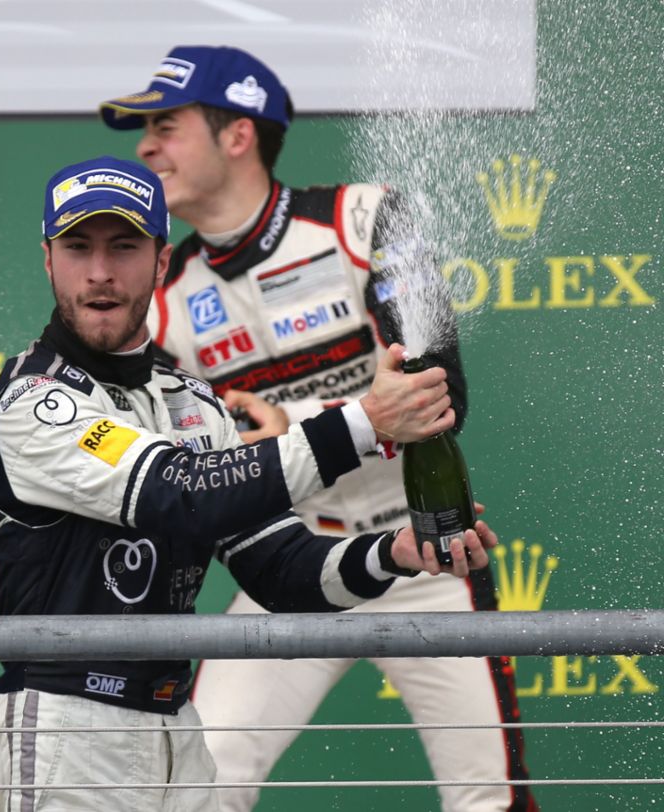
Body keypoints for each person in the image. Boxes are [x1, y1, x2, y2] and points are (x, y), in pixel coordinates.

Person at [0, 154, 499, 812]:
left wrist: (389, 554)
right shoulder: (36, 397)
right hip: (70, 734)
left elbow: (283, 571)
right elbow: (181, 494)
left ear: (161, 264)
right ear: (48, 260)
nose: (100, 272)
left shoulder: (194, 401)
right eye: (77, 248)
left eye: (124, 247)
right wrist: (364, 422)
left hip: (174, 733)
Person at [99, 45, 535, 811]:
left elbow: (439, 397)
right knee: (199, 790)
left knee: (487, 799)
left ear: (237, 133)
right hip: (291, 561)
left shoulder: (366, 218)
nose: (145, 146)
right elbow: (186, 468)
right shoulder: (161, 300)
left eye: (165, 125)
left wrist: (294, 425)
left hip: (425, 549)